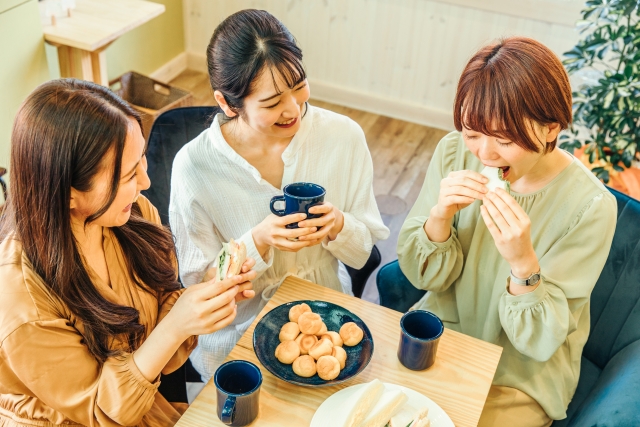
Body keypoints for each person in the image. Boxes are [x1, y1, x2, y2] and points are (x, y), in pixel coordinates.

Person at [0, 79, 256, 427]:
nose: (146, 184)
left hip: (145, 405)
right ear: (68, 193)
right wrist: (176, 325)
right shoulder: (21, 302)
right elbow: (103, 410)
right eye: (127, 174)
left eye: (142, 161)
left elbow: (162, 319)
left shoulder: (131, 216)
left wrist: (205, 296)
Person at [397, 37, 617, 427]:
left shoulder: (591, 207)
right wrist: (440, 216)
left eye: (504, 139)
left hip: (522, 373)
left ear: (551, 128)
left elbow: (542, 340)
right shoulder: (453, 152)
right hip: (442, 334)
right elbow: (421, 275)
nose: (484, 154)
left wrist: (522, 262)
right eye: (472, 132)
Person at [169, 9, 389, 380]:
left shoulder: (343, 138)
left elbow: (363, 251)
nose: (293, 109)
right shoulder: (194, 166)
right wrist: (257, 241)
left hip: (325, 326)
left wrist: (338, 226)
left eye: (299, 85)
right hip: (235, 342)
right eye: (272, 103)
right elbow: (201, 285)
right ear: (226, 104)